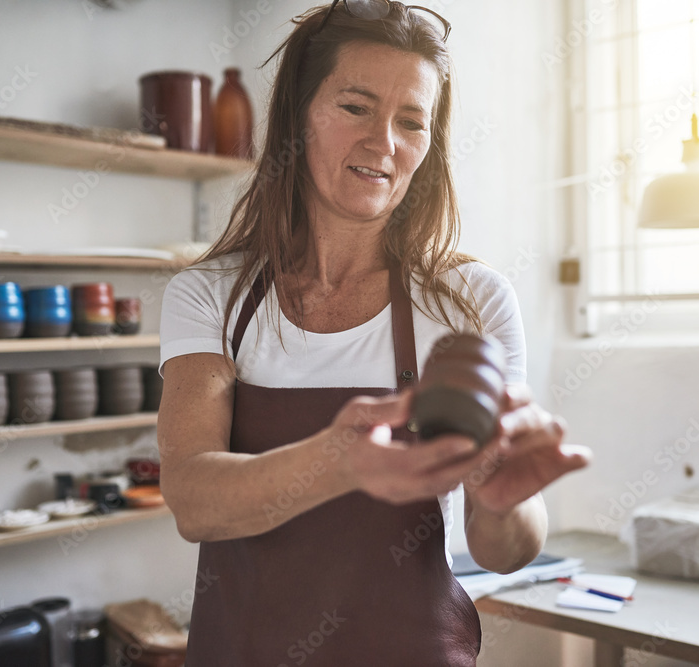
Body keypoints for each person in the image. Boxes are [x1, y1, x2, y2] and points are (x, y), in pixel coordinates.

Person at [157, 1, 591, 664]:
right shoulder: (212, 296)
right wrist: (339, 459)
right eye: (355, 107)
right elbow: (193, 498)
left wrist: (504, 501)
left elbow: (503, 549)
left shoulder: (470, 303)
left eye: (411, 121)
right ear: (298, 116)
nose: (384, 143)